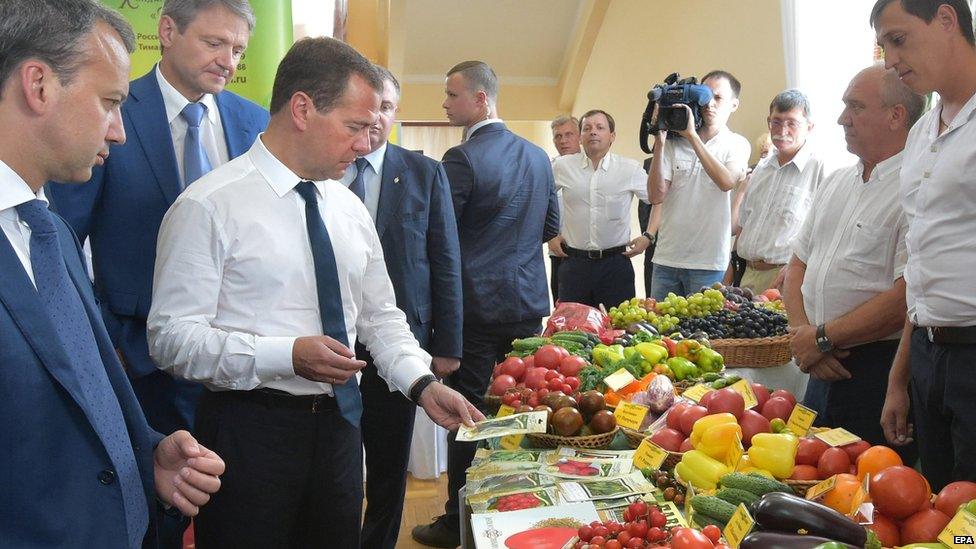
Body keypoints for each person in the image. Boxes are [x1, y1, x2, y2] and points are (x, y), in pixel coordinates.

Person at [146, 38, 482, 548]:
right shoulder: (209, 206)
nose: (367, 143)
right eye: (354, 126)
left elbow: (380, 317)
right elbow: (171, 339)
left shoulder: (346, 208)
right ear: (302, 108)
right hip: (247, 433)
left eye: (373, 128)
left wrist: (421, 383)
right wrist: (285, 356)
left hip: (342, 429)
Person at [0, 1, 225, 547]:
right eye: (109, 103)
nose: (120, 131)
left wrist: (143, 454)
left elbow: (71, 395)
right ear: (39, 85)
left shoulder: (47, 228)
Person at [47, 0, 269, 439]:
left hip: (243, 363)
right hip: (141, 362)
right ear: (168, 31)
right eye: (214, 43)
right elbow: (62, 238)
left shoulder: (254, 122)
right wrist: (108, 343)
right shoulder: (111, 110)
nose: (228, 61)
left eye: (239, 50)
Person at [412, 60, 559, 548]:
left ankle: (460, 521)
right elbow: (548, 228)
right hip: (529, 302)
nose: (444, 103)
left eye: (451, 95)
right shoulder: (539, 157)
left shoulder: (462, 158)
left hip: (474, 307)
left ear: (479, 99)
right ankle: (525, 511)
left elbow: (441, 237)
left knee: (469, 415)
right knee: (526, 406)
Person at [335, 65, 463, 549]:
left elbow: (445, 260)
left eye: (386, 108)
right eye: (365, 110)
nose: (374, 120)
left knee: (389, 462)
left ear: (395, 112)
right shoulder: (321, 169)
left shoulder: (423, 172)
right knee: (341, 463)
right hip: (329, 343)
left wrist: (447, 345)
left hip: (401, 344)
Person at [783, 64, 924, 464]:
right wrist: (804, 336)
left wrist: (823, 338)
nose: (842, 118)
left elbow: (906, 296)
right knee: (808, 481)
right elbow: (797, 266)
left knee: (864, 500)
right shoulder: (836, 181)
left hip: (874, 372)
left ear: (896, 115)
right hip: (817, 364)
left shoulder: (914, 191)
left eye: (855, 107)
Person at [873, 0, 976, 490]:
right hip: (930, 355)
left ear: (946, 19)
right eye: (884, 46)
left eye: (898, 39)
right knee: (937, 512)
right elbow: (922, 263)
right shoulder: (919, 134)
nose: (890, 60)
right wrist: (901, 375)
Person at [647, 70, 751, 299]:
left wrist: (692, 136)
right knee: (661, 331)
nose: (708, 104)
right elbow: (656, 196)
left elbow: (726, 182)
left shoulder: (736, 144)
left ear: (734, 105)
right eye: (703, 96)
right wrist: (660, 142)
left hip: (709, 263)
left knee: (705, 333)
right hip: (666, 258)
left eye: (718, 98)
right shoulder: (675, 142)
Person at [549, 109, 651, 307]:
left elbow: (658, 199)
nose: (593, 132)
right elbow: (539, 198)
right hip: (574, 264)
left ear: (612, 136)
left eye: (600, 127)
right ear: (581, 137)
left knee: (618, 331)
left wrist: (649, 236)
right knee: (574, 330)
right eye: (587, 128)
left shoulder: (629, 168)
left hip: (616, 265)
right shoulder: (562, 167)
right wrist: (550, 234)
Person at [734, 90, 825, 292]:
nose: (782, 130)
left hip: (787, 278)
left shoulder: (820, 169)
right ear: (768, 122)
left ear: (809, 127)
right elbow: (744, 223)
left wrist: (796, 271)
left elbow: (826, 232)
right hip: (748, 273)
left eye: (792, 123)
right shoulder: (761, 168)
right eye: (776, 122)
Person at [548, 115, 580, 305]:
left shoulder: (591, 166)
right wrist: (550, 236)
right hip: (560, 252)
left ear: (579, 137)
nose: (563, 140)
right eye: (558, 136)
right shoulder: (548, 168)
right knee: (563, 312)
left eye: (569, 134)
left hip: (588, 253)